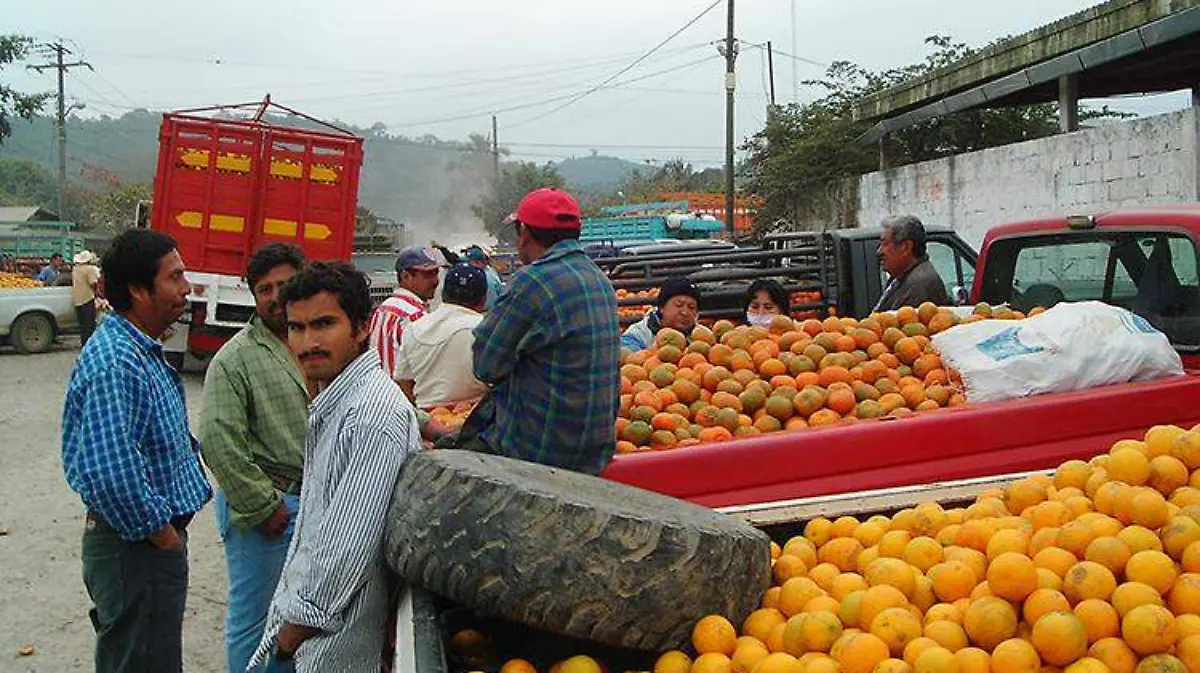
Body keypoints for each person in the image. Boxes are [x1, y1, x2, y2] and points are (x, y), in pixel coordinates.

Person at [251, 261, 419, 673]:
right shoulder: (338, 401)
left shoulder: (370, 414)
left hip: (331, 644)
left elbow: (347, 545)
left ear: (361, 327)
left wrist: (296, 629)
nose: (308, 342)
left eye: (324, 324)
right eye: (297, 328)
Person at [60, 228, 211, 673]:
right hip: (136, 547)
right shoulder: (116, 361)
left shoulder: (139, 351)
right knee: (140, 660)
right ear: (139, 290)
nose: (186, 289)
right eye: (175, 278)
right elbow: (111, 472)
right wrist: (161, 535)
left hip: (146, 545)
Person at [199, 243, 310, 673]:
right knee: (255, 621)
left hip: (313, 501)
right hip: (267, 508)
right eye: (265, 288)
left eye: (285, 284)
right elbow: (218, 440)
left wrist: (427, 423)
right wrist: (266, 507)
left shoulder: (314, 342)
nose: (276, 295)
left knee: (296, 618)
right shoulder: (235, 358)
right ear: (253, 296)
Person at [467, 188, 621, 475]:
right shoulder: (599, 279)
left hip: (540, 453)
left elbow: (485, 365)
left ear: (524, 232)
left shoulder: (532, 281)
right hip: (596, 448)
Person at [396, 263, 489, 408]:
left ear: (443, 294)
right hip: (475, 418)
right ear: (483, 299)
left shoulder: (414, 328)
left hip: (427, 420)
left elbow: (403, 382)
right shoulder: (486, 330)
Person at [368, 245, 441, 380]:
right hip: (401, 397)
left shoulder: (382, 310)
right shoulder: (416, 317)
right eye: (428, 275)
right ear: (406, 276)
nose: (435, 281)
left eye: (436, 273)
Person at [873, 215, 950, 312]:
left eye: (885, 244)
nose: (879, 251)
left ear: (906, 247)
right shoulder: (901, 276)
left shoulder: (919, 286)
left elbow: (900, 324)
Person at [620, 276, 701, 351]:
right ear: (662, 307)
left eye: (691, 307)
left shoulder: (701, 336)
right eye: (679, 305)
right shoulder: (639, 333)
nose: (685, 312)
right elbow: (628, 357)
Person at [71, 250, 102, 346]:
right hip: (87, 299)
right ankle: (90, 345)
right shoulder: (90, 269)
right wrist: (98, 294)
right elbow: (93, 283)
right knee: (90, 326)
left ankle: (84, 344)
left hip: (77, 300)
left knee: (83, 326)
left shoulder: (75, 269)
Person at [463, 246, 503, 310]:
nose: (467, 265)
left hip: (484, 312)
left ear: (478, 262)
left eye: (469, 262)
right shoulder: (490, 270)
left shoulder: (481, 277)